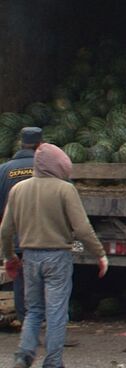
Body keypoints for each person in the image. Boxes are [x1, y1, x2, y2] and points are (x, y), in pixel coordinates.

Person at [1, 143, 109, 368]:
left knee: (34, 310)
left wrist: (10, 256)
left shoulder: (18, 189)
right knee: (57, 312)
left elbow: (5, 229)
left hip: (29, 256)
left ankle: (24, 354)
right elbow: (81, 228)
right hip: (58, 257)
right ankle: (53, 362)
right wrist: (99, 253)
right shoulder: (65, 189)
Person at [0, 127, 42, 327]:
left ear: (21, 144)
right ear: (39, 144)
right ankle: (43, 319)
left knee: (20, 278)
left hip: (17, 235)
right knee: (45, 277)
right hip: (43, 234)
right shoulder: (45, 167)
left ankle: (25, 319)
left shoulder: (5, 169)